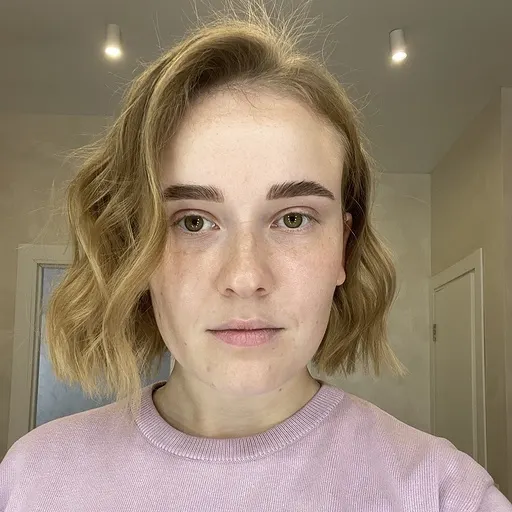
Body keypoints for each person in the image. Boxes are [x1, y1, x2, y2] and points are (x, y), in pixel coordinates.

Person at [1, 2, 511, 511]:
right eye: (193, 221)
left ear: (344, 246)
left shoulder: (442, 492)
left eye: (293, 219)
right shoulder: (32, 477)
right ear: (135, 246)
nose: (245, 277)